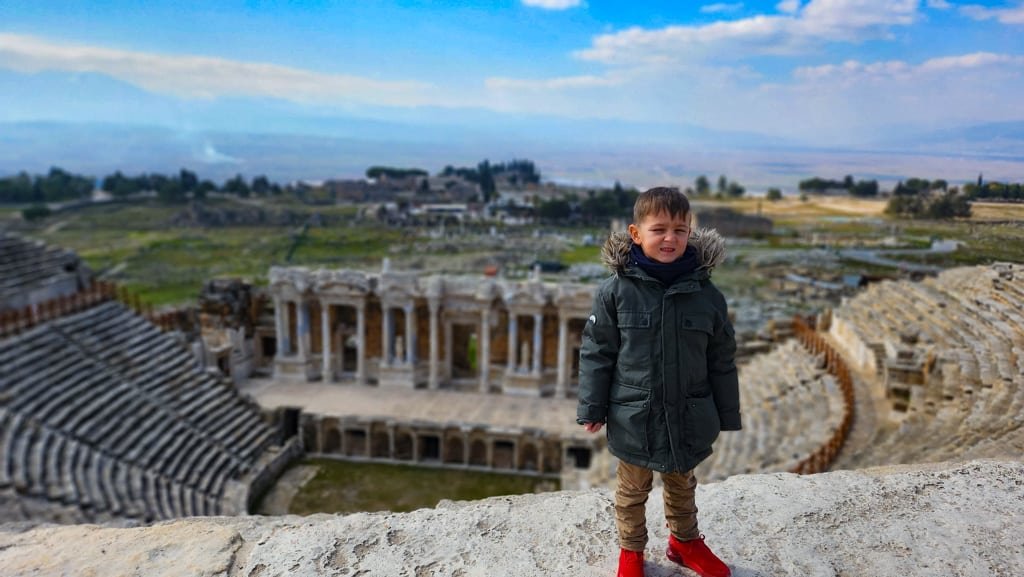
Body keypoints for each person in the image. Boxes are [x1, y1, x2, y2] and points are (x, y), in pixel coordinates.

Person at [577, 186, 740, 577]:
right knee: (632, 492)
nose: (670, 238)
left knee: (683, 485)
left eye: (680, 230)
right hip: (636, 414)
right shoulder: (615, 292)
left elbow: (721, 359)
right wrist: (592, 408)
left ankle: (685, 543)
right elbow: (598, 352)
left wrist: (727, 413)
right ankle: (631, 552)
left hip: (688, 412)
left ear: (690, 233)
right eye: (659, 229)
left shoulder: (708, 296)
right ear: (636, 233)